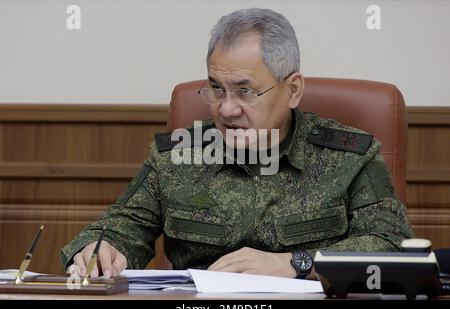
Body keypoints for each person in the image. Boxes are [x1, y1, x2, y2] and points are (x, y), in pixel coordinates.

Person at [61, 8, 414, 280]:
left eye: (245, 91)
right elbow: (122, 226)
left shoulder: (349, 158)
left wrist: (295, 264)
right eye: (216, 88)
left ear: (292, 90)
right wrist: (101, 248)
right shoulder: (179, 156)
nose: (227, 108)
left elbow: (393, 248)